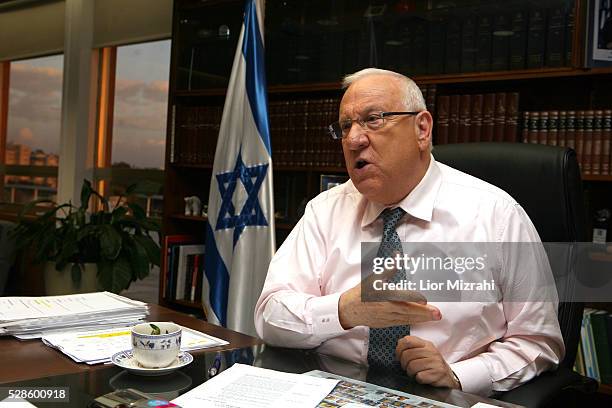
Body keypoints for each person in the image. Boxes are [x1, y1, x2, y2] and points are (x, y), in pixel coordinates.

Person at [254, 68, 564, 396]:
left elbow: (538, 342)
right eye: (346, 127)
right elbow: (269, 315)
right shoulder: (325, 210)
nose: (355, 140)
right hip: (333, 393)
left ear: (422, 128)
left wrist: (458, 375)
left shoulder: (497, 216)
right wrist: (343, 310)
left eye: (374, 119)